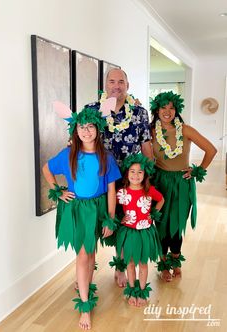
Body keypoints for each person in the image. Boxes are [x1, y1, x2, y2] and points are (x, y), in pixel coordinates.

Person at [42, 107, 121, 330]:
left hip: (97, 209)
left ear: (97, 129)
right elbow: (47, 168)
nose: (86, 131)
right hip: (78, 209)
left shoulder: (106, 157)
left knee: (91, 251)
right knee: (83, 253)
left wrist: (111, 219)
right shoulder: (69, 154)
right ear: (75, 130)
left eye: (90, 126)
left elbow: (112, 190)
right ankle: (85, 306)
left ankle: (85, 282)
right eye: (81, 127)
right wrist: (58, 191)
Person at [86, 68, 153, 287]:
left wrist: (149, 175)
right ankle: (85, 273)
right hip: (98, 178)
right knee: (94, 225)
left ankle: (121, 267)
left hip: (128, 179)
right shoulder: (92, 110)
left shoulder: (140, 112)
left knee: (125, 223)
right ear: (105, 84)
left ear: (128, 85)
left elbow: (145, 145)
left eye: (121, 81)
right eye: (112, 81)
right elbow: (79, 139)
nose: (117, 85)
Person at [150, 91, 217, 282]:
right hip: (160, 181)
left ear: (176, 110)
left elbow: (211, 150)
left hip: (182, 183)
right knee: (161, 223)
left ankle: (176, 259)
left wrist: (198, 170)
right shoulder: (151, 131)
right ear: (157, 109)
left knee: (177, 223)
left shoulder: (185, 130)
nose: (167, 111)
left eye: (172, 107)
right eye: (163, 107)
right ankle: (163, 265)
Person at [116, 153, 164, 306]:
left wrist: (152, 214)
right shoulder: (122, 192)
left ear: (145, 174)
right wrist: (120, 218)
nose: (136, 175)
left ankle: (142, 292)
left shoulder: (148, 190)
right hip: (129, 232)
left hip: (144, 232)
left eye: (140, 172)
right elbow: (114, 207)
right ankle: (131, 290)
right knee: (129, 263)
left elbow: (161, 199)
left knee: (143, 263)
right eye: (132, 171)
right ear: (127, 173)